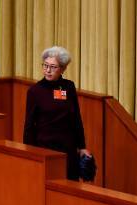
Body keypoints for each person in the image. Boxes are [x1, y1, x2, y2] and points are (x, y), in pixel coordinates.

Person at [23, 45, 91, 181]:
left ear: (63, 69)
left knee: (71, 187)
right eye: (45, 65)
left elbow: (76, 118)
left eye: (53, 67)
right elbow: (29, 126)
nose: (48, 70)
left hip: (68, 149)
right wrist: (29, 153)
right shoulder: (35, 91)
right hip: (45, 149)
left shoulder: (69, 87)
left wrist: (82, 147)